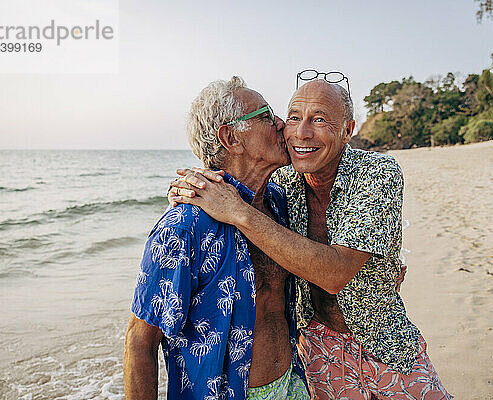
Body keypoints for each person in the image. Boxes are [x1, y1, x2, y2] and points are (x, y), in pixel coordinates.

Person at [169, 76, 453, 399]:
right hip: (319, 352)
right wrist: (194, 184)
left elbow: (334, 274)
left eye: (319, 119)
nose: (301, 132)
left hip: (385, 342)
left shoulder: (378, 173)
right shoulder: (284, 184)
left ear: (347, 130)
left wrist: (238, 212)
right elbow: (234, 170)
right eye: (293, 117)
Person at [123, 76, 310, 400]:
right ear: (230, 138)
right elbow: (140, 340)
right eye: (265, 115)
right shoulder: (184, 227)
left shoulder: (280, 202)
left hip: (292, 384)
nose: (281, 123)